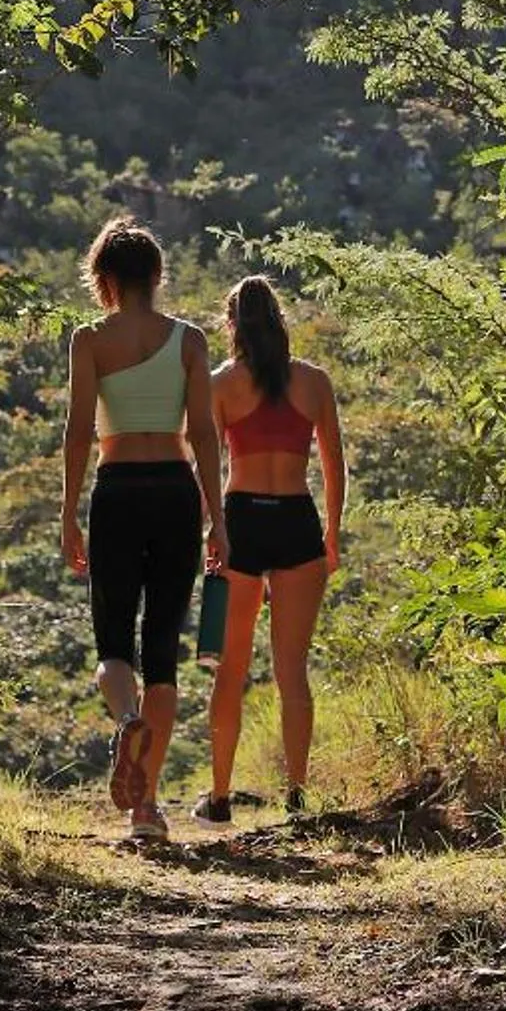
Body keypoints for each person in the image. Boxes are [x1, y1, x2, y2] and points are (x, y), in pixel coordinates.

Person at [60, 218, 226, 840]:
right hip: (177, 494)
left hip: (119, 492)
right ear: (157, 277)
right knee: (163, 655)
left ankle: (126, 718)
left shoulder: (89, 340)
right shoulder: (189, 340)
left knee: (112, 645)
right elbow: (204, 435)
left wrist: (69, 513)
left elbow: (79, 432)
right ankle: (146, 809)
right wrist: (217, 518)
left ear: (103, 279)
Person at [196, 274, 344, 825]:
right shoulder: (313, 382)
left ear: (231, 324)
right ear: (280, 320)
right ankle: (298, 796)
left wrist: (210, 529)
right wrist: (332, 531)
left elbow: (205, 468)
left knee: (229, 670)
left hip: (241, 524)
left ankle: (218, 798)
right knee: (292, 672)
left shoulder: (219, 385)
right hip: (297, 524)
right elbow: (334, 464)